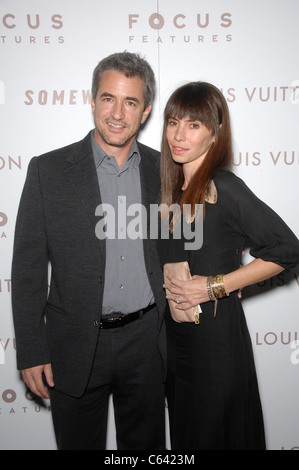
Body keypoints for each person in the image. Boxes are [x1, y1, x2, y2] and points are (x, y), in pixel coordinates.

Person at [11, 52, 166, 450]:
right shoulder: (47, 171)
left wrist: (223, 277)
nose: (117, 113)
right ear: (93, 100)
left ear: (146, 110)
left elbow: (191, 237)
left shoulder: (164, 170)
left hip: (147, 343)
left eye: (130, 102)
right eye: (108, 98)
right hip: (74, 344)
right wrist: (30, 350)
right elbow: (28, 270)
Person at [158, 81, 299, 450]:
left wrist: (213, 285)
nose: (179, 134)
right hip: (178, 351)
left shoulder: (224, 187)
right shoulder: (171, 195)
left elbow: (287, 249)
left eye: (193, 125)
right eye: (173, 122)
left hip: (217, 349)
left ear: (215, 133)